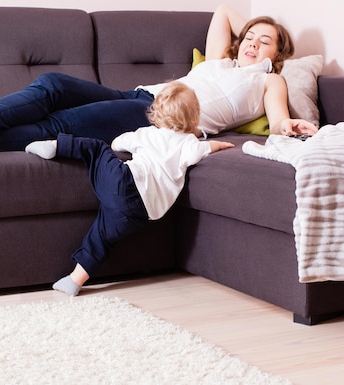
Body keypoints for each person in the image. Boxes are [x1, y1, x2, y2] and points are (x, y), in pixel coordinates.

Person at [0, 3, 318, 156]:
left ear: (276, 56)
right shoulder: (216, 62)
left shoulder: (268, 81)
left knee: (59, 125)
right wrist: (255, 32)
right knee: (55, 84)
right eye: (249, 38)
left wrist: (289, 125)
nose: (252, 44)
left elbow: (279, 120)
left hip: (162, 118)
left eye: (264, 43)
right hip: (139, 96)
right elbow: (224, 11)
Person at [25, 82, 234, 295]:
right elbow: (202, 149)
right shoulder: (189, 143)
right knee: (103, 238)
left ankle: (55, 145)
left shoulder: (147, 134)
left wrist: (116, 145)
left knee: (97, 148)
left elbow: (117, 144)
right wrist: (219, 145)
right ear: (193, 119)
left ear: (157, 115)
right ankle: (75, 280)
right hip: (141, 213)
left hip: (124, 183)